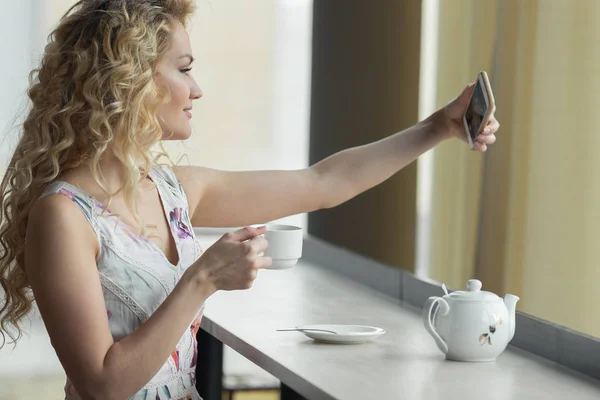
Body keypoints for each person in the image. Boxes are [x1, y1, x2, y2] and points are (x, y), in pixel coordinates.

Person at [0, 1, 499, 399]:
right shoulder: (62, 217)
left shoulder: (175, 189)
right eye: (183, 68)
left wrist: (436, 127)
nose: (197, 89)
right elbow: (102, 386)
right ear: (127, 80)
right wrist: (204, 278)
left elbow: (324, 182)